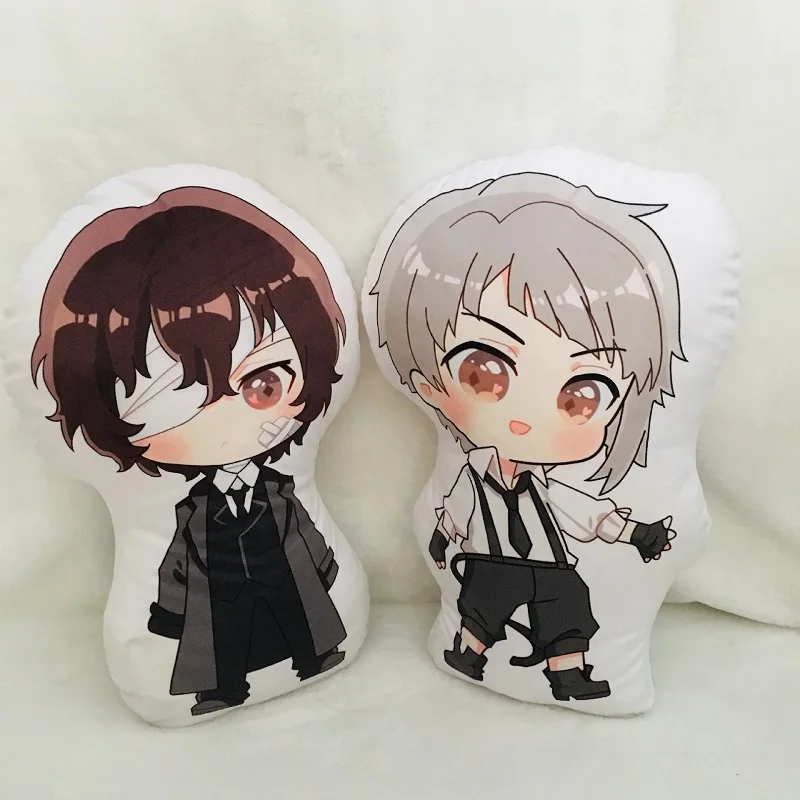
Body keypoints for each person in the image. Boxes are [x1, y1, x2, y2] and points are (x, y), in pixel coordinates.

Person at [32, 188, 347, 715]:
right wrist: (170, 615)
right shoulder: (193, 511)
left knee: (297, 621)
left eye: (264, 385)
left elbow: (306, 533)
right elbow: (177, 562)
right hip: (220, 598)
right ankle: (222, 688)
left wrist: (325, 569)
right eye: (172, 405)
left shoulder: (279, 490)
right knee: (224, 639)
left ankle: (313, 655)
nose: (227, 421)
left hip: (287, 584)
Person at [370, 172, 683, 701]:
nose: (526, 420)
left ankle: (568, 673)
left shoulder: (550, 489)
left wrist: (636, 534)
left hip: (549, 563)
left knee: (569, 607)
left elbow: (589, 514)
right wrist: (444, 540)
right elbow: (456, 513)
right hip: (492, 562)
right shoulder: (474, 478)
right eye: (483, 374)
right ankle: (469, 651)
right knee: (482, 610)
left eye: (581, 396)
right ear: (430, 386)